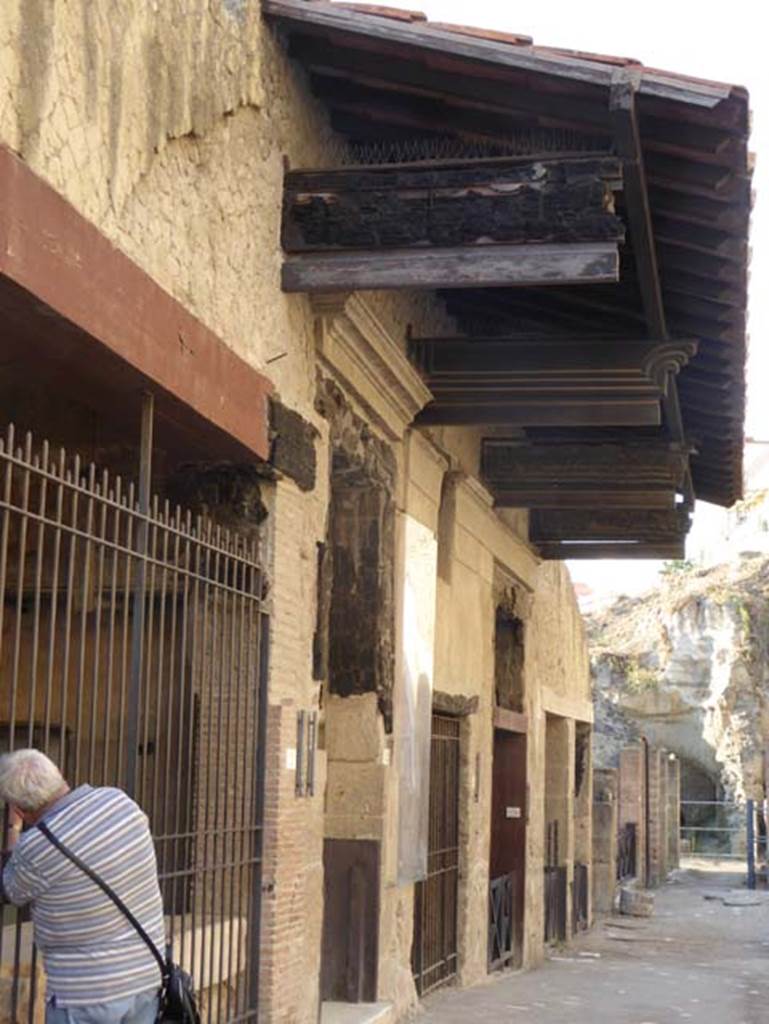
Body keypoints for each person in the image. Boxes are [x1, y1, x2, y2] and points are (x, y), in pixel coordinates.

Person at [0, 749, 165, 1024]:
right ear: (59, 775)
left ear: (19, 810)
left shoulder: (37, 847)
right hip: (146, 974)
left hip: (87, 994)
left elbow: (10, 890)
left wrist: (12, 830)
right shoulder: (119, 802)